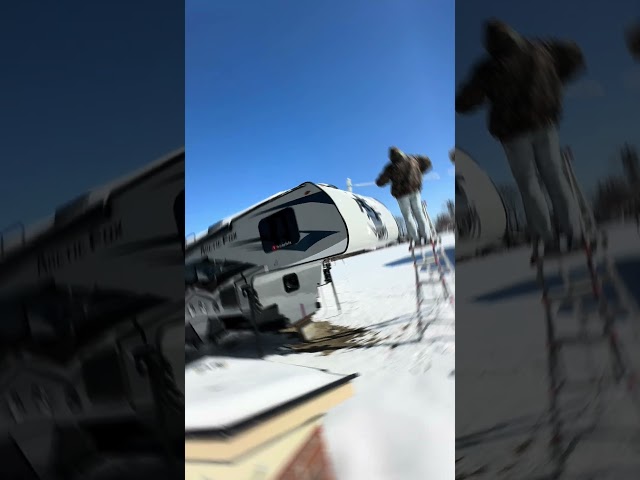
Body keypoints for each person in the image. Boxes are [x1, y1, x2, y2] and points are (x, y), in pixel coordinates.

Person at [455, 19, 586, 258]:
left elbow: (464, 103)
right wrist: (556, 82)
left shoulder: (490, 67)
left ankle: (548, 239)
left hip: (514, 133)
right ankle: (574, 232)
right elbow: (575, 56)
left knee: (528, 185)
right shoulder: (542, 49)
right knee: (555, 177)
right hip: (545, 123)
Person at [375, 146, 432, 247]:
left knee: (408, 216)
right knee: (419, 213)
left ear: (391, 157)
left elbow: (380, 182)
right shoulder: (413, 159)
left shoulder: (391, 167)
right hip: (415, 190)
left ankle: (416, 239)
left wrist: (384, 180)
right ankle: (427, 236)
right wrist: (419, 173)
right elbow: (427, 162)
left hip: (401, 194)